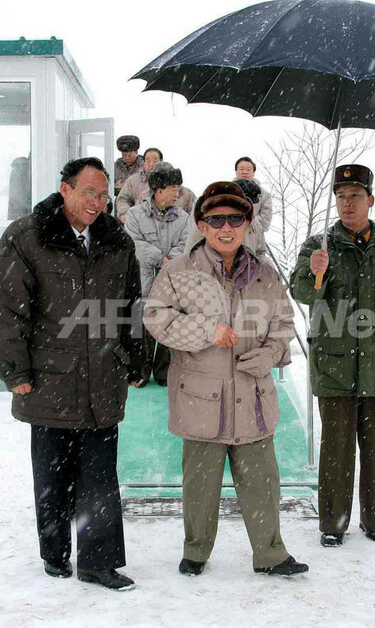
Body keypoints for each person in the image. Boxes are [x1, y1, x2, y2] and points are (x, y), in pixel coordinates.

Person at [0, 157, 143, 591]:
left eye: (103, 194)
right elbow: (6, 310)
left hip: (104, 377)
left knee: (99, 476)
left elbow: (130, 304)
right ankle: (55, 553)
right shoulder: (27, 237)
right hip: (49, 377)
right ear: (65, 189)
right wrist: (13, 369)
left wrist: (135, 355)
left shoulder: (117, 241)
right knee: (52, 474)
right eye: (88, 192)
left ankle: (98, 561)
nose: (97, 202)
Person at [144, 181, 309, 578]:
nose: (225, 227)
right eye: (215, 219)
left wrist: (269, 354)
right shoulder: (179, 273)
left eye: (235, 218)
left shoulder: (266, 276)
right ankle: (196, 551)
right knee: (200, 485)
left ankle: (270, 554)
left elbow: (284, 323)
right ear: (201, 225)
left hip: (252, 394)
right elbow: (156, 318)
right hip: (201, 396)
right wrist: (206, 331)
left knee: (262, 482)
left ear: (248, 224)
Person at [289, 163, 375, 548]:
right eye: (341, 197)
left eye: (355, 197)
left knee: (374, 447)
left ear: (370, 200)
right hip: (334, 363)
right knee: (336, 449)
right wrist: (316, 272)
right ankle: (333, 524)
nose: (347, 204)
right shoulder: (319, 246)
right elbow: (302, 293)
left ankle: (373, 520)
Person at [124, 162, 192, 387]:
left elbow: (186, 243)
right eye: (173, 187)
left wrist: (170, 260)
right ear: (158, 190)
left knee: (168, 324)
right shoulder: (135, 214)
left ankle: (163, 373)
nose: (177, 192)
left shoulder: (183, 218)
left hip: (171, 281)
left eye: (178, 188)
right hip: (143, 278)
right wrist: (158, 257)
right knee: (142, 326)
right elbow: (133, 241)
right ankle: (141, 372)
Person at [183, 178, 268, 263]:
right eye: (249, 202)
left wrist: (263, 267)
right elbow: (190, 254)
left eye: (254, 203)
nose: (252, 206)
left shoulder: (256, 225)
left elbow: (261, 252)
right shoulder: (209, 223)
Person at [115, 148, 196, 222]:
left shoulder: (185, 194)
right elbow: (123, 200)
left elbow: (195, 215)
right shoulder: (138, 187)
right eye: (148, 161)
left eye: (155, 161)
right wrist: (126, 215)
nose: (151, 164)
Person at [234, 156, 273, 232]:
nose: (245, 172)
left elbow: (265, 223)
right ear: (236, 172)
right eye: (241, 169)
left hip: (254, 240)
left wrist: (239, 220)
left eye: (248, 169)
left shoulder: (264, 195)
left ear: (253, 173)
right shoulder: (225, 192)